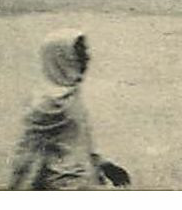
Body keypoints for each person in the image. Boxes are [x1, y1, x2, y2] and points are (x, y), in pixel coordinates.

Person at [7, 31, 129, 190]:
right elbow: (25, 156)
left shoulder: (68, 93)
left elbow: (75, 140)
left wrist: (102, 164)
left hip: (81, 182)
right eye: (79, 53)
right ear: (61, 58)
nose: (87, 58)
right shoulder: (47, 104)